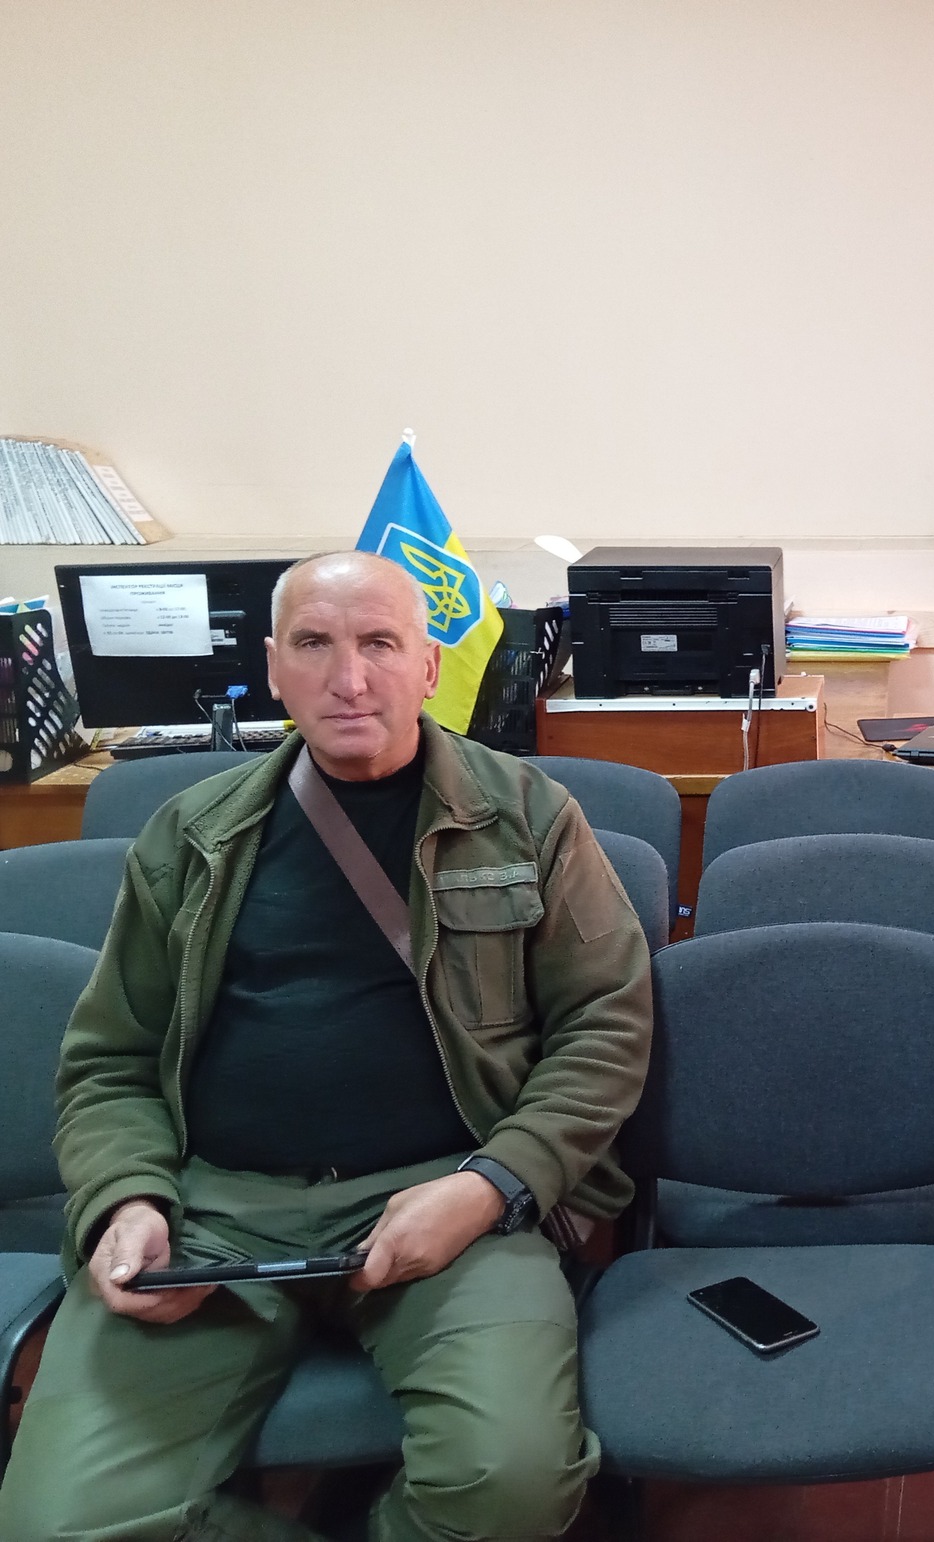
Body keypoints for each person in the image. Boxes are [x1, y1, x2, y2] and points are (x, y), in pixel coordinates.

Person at [0, 551, 653, 1542]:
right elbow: (109, 1060)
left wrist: (492, 1186)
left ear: (429, 667)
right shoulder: (193, 836)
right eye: (315, 644)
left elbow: (605, 1023)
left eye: (379, 643)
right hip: (213, 1212)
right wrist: (126, 1198)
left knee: (510, 1486)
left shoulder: (524, 818)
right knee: (53, 1525)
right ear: (273, 666)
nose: (349, 679)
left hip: (448, 1200)